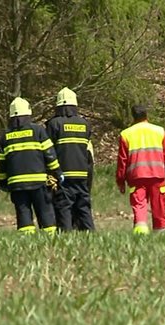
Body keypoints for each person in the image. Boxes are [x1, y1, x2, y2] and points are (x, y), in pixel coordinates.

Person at [0, 97, 63, 235]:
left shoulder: (5, 137)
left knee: (23, 214)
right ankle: (50, 240)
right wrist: (57, 173)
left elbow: (1, 165)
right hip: (39, 183)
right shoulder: (38, 131)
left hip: (17, 185)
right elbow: (50, 155)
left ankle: (27, 240)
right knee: (45, 213)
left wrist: (3, 182)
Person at [116, 104, 165, 234]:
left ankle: (140, 233)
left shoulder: (126, 134)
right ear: (146, 115)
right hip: (157, 175)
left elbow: (122, 161)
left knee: (139, 206)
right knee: (159, 206)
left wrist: (120, 181)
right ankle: (161, 233)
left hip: (136, 176)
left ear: (132, 116)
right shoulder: (160, 131)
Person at [45, 87, 95, 232]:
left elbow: (48, 151)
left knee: (63, 206)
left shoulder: (54, 124)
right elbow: (88, 152)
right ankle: (90, 234)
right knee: (84, 206)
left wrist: (50, 173)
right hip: (82, 173)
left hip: (62, 174)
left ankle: (65, 234)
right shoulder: (85, 124)